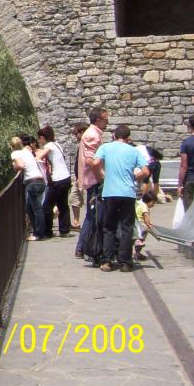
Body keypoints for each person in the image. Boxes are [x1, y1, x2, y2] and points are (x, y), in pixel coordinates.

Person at [91, 125, 149, 272]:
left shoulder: (106, 147)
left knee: (109, 227)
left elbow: (95, 163)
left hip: (110, 192)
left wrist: (101, 175)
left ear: (114, 135)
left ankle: (107, 261)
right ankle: (126, 262)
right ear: (128, 137)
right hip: (128, 193)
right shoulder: (133, 150)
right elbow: (146, 171)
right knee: (127, 227)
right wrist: (136, 177)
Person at [75, 106, 109, 259]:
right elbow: (90, 161)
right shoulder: (93, 135)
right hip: (94, 180)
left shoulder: (92, 134)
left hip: (92, 179)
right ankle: (83, 247)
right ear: (98, 120)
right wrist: (102, 176)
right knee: (93, 214)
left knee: (92, 213)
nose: (107, 122)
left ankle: (82, 247)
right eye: (106, 120)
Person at [37, 125, 72, 237]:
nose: (39, 141)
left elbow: (40, 156)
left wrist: (34, 159)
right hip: (66, 177)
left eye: (39, 138)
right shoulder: (57, 145)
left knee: (47, 205)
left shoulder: (49, 145)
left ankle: (47, 231)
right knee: (63, 204)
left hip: (58, 179)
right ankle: (64, 229)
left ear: (43, 137)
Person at [11, 135, 46, 241]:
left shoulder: (15, 153)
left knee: (36, 208)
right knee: (30, 207)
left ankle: (39, 234)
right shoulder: (27, 151)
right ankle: (36, 231)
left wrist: (15, 166)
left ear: (11, 146)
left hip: (32, 182)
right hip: (40, 180)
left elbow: (20, 166)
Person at [67, 121, 88, 228]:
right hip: (80, 177)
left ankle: (77, 222)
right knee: (75, 198)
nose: (75, 136)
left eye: (76, 133)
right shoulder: (82, 145)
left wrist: (81, 178)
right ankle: (76, 222)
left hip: (83, 178)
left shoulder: (85, 145)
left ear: (82, 132)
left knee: (75, 197)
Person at [178, 115, 194, 210]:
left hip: (190, 178)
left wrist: (180, 184)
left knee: (189, 209)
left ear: (190, 126)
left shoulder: (186, 143)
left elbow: (184, 166)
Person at [133, 190, 156, 262]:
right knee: (144, 233)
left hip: (134, 223)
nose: (153, 205)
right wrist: (148, 224)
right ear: (149, 200)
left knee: (136, 238)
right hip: (140, 224)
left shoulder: (139, 202)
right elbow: (146, 215)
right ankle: (137, 250)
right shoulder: (144, 206)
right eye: (153, 203)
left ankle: (137, 251)